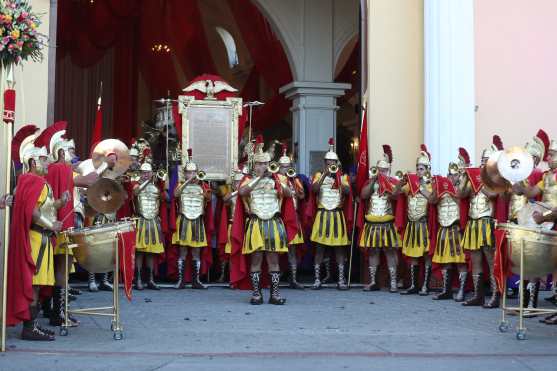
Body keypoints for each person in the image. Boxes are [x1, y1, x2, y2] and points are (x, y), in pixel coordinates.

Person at [6, 125, 68, 340]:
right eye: (43, 159)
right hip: (36, 239)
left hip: (39, 238)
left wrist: (61, 203)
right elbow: (33, 212)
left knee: (38, 284)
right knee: (33, 284)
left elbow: (44, 208)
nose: (47, 162)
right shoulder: (36, 182)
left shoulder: (30, 182)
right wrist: (53, 226)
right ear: (33, 162)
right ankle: (29, 328)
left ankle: (32, 325)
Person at [230, 136, 297, 304]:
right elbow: (242, 192)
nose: (263, 166)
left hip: (274, 223)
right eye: (260, 164)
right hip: (256, 223)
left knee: (273, 260)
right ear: (255, 165)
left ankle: (274, 295)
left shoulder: (278, 179)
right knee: (256, 260)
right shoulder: (247, 180)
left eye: (266, 163)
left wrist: (274, 179)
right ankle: (256, 294)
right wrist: (259, 178)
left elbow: (290, 194)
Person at [460, 136, 502, 308]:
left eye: (487, 160)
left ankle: (495, 295)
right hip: (473, 222)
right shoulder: (474, 178)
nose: (483, 163)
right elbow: (461, 195)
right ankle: (478, 295)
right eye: (483, 160)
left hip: (486, 222)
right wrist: (465, 176)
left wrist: (481, 182)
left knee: (491, 260)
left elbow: (494, 195)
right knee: (475, 259)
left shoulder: (496, 178)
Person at [308, 138, 353, 290]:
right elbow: (313, 190)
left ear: (337, 163)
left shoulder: (343, 177)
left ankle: (341, 279)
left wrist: (338, 177)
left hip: (337, 215)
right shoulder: (318, 175)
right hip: (322, 215)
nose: (330, 166)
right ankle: (317, 279)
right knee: (320, 248)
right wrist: (324, 175)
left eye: (332, 163)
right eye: (327, 163)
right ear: (324, 163)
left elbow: (348, 192)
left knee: (339, 248)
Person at [393, 145, 436, 296]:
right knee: (413, 255)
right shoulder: (409, 186)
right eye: (418, 168)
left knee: (426, 254)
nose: (418, 171)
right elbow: (395, 194)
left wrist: (421, 186)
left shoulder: (431, 186)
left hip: (424, 225)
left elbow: (432, 200)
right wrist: (402, 181)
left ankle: (425, 285)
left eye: (422, 169)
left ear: (428, 170)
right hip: (412, 225)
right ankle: (413, 285)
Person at [358, 145, 401, 293]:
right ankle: (373, 281)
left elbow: (396, 196)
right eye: (378, 169)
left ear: (388, 170)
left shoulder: (393, 182)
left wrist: (387, 185)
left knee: (390, 251)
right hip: (372, 222)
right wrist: (373, 181)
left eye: (383, 170)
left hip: (387, 222)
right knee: (373, 251)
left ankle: (394, 282)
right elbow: (363, 195)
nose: (380, 172)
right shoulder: (370, 182)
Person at [172, 149, 212, 289]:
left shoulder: (203, 185)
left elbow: (209, 198)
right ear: (185, 173)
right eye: (189, 172)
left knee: (196, 252)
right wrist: (187, 181)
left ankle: (196, 280)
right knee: (183, 250)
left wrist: (201, 184)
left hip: (197, 221)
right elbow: (176, 194)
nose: (192, 174)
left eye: (194, 172)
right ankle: (181, 280)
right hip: (183, 220)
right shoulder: (180, 185)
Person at [278, 143, 306, 289]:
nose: (285, 169)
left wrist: (294, 181)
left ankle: (293, 279)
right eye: (283, 166)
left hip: (292, 216)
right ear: (278, 167)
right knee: (275, 248)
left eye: (288, 166)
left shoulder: (294, 180)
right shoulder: (274, 179)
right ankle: (274, 278)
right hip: (278, 217)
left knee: (292, 249)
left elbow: (302, 196)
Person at [133, 161, 165, 290]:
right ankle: (138, 279)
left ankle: (151, 279)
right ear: (140, 174)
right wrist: (148, 181)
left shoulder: (156, 187)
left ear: (151, 173)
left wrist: (164, 182)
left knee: (151, 252)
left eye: (148, 173)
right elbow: (135, 194)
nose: (145, 175)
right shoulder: (136, 185)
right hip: (141, 221)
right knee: (140, 252)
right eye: (143, 173)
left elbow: (167, 197)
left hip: (153, 222)